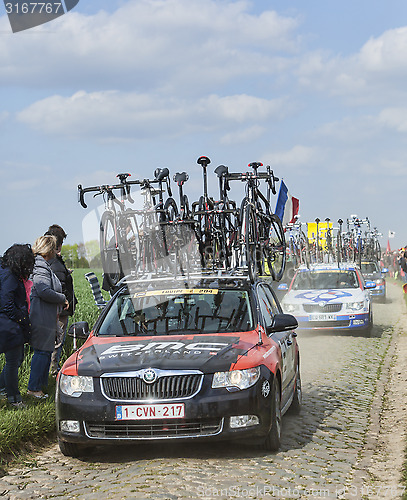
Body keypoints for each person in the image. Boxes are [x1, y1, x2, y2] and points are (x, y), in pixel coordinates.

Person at [27, 235, 68, 399]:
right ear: (49, 250)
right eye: (54, 248)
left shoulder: (40, 264)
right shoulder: (41, 266)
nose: (56, 251)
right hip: (42, 315)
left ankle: (40, 387)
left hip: (44, 314)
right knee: (42, 352)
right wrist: (62, 298)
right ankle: (34, 389)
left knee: (44, 351)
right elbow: (43, 290)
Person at [0, 244, 35, 408]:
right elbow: (6, 304)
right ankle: (14, 399)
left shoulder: (7, 272)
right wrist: (21, 318)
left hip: (9, 325)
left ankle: (2, 389)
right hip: (9, 327)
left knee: (16, 359)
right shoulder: (10, 276)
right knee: (13, 362)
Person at [45, 225, 77, 376]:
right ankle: (52, 371)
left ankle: (50, 370)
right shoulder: (56, 264)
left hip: (56, 310)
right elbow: (59, 287)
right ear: (58, 244)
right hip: (60, 311)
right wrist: (64, 303)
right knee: (57, 342)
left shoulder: (52, 262)